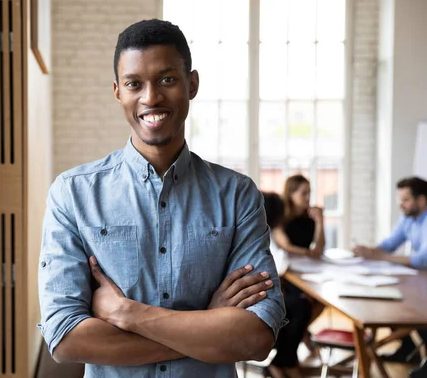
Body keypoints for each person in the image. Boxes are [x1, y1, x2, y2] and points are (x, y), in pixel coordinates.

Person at [37, 19, 286, 377]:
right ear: (118, 91)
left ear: (192, 84)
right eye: (134, 84)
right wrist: (206, 325)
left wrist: (127, 314)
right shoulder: (73, 193)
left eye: (167, 79)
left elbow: (257, 336)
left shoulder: (237, 194)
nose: (150, 97)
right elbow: (66, 339)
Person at [353, 177, 427, 367]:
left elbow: (422, 259)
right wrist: (369, 252)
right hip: (421, 279)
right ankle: (408, 348)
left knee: (414, 307)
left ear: (422, 200)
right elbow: (389, 245)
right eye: (400, 200)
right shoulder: (409, 219)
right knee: (392, 296)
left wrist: (378, 257)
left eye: (405, 200)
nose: (401, 205)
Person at [272, 175, 325, 353]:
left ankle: (300, 331)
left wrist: (320, 222)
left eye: (309, 193)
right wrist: (309, 253)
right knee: (305, 301)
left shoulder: (308, 219)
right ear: (291, 194)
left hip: (307, 269)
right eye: (304, 193)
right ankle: (298, 335)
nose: (308, 198)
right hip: (286, 272)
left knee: (321, 300)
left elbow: (319, 247)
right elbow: (285, 245)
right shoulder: (279, 217)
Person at [262, 192, 312, 378]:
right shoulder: (260, 232)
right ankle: (286, 362)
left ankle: (281, 363)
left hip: (264, 289)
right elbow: (280, 263)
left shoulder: (265, 230)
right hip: (256, 295)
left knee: (299, 305)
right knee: (301, 306)